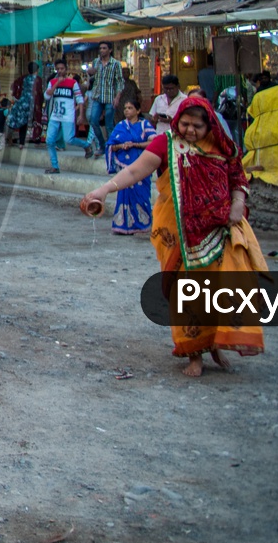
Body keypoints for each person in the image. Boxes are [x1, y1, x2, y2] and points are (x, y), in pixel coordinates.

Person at [82, 97, 266, 377]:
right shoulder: (165, 143)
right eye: (185, 123)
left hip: (220, 229)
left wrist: (238, 201)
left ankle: (214, 343)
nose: (190, 130)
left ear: (210, 125)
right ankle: (194, 354)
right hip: (180, 233)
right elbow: (135, 170)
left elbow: (236, 175)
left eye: (197, 126)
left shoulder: (221, 145)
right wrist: (104, 190)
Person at [104, 99, 155, 235]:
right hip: (125, 167)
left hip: (142, 166)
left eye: (130, 108)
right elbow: (111, 146)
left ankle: (142, 224)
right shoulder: (120, 126)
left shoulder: (145, 125)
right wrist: (122, 146)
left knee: (141, 195)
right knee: (124, 193)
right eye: (125, 108)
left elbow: (153, 143)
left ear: (138, 111)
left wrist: (135, 145)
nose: (127, 110)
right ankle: (123, 225)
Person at [43, 57, 91, 173]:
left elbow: (80, 99)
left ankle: (86, 145)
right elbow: (47, 96)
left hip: (68, 115)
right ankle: (55, 166)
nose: (60, 71)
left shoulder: (73, 83)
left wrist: (81, 115)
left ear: (66, 69)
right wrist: (57, 83)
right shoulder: (52, 82)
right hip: (55, 115)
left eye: (62, 68)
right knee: (49, 141)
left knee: (69, 139)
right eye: (58, 69)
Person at [8, 65, 35, 147]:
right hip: (29, 103)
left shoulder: (22, 78)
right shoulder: (36, 79)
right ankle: (21, 143)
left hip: (20, 102)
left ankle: (8, 139)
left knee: (14, 122)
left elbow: (12, 87)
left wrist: (16, 97)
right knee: (24, 124)